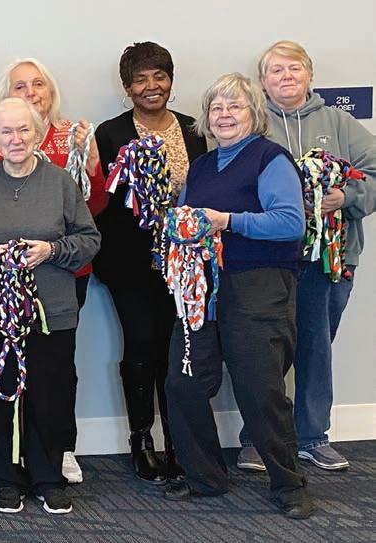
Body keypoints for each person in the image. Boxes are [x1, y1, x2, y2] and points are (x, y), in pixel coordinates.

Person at [163, 72, 312, 519]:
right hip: (201, 288)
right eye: (216, 108)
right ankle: (204, 477)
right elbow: (188, 219)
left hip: (257, 286)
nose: (224, 115)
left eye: (235, 106)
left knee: (260, 389)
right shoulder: (202, 166)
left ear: (254, 113)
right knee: (184, 383)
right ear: (206, 118)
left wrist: (227, 220)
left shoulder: (270, 159)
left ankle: (289, 484)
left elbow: (290, 223)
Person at [235, 40, 376, 473]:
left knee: (316, 348)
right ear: (263, 81)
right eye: (276, 70)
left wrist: (346, 197)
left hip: (329, 260)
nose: (286, 76)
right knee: (265, 350)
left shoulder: (339, 122)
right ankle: (258, 438)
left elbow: (374, 174)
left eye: (294, 68)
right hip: (269, 260)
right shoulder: (252, 125)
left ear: (309, 75)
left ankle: (313, 436)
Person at [0, 58, 110, 483]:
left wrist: (51, 250)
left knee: (50, 388)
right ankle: (8, 477)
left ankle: (50, 471)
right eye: (7, 132)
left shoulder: (62, 177)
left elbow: (90, 233)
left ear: (38, 133)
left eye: (24, 130)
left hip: (53, 303)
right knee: (3, 391)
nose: (16, 138)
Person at [93, 42, 207, 484]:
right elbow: (102, 200)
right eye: (140, 79)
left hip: (184, 261)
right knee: (141, 341)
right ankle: (141, 441)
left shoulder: (194, 130)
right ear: (127, 87)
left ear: (171, 81)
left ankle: (179, 442)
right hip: (129, 261)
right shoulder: (111, 133)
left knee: (176, 349)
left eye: (159, 76)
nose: (151, 86)